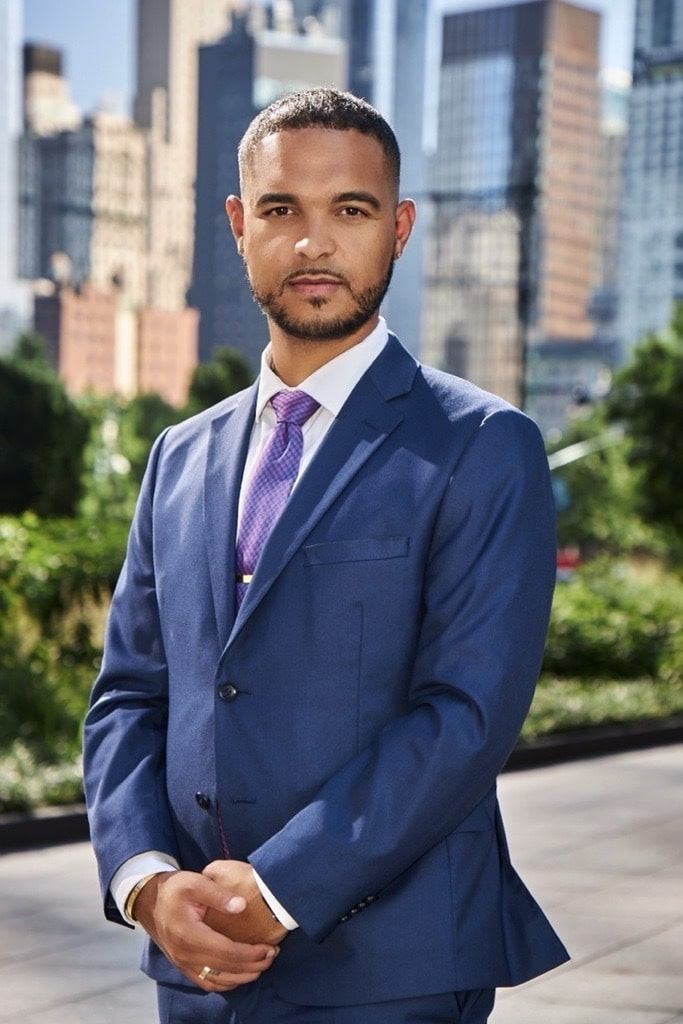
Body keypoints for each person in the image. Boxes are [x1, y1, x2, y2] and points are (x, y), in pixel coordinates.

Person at [84, 87, 568, 1024]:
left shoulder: (482, 444)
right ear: (237, 224)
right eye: (280, 210)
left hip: (394, 971)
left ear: (399, 228)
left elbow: (465, 717)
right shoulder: (177, 455)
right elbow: (129, 696)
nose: (313, 244)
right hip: (196, 971)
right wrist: (146, 882)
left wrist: (270, 893)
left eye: (350, 210)